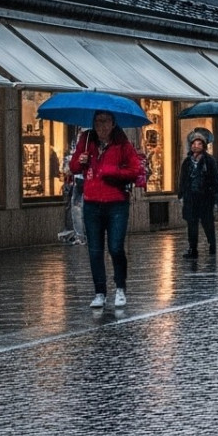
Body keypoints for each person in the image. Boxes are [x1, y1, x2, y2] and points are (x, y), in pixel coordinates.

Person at [68, 113, 146, 308]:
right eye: (97, 121)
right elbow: (73, 167)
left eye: (105, 121)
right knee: (95, 250)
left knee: (115, 247)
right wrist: (81, 161)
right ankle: (100, 292)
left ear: (113, 124)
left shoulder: (122, 144)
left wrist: (113, 172)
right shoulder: (86, 141)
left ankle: (120, 287)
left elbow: (135, 170)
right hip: (92, 202)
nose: (100, 125)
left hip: (116, 203)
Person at [176, 128, 218, 259]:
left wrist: (216, 197)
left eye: (199, 144)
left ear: (204, 146)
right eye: (194, 144)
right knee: (192, 223)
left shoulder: (209, 161)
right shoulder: (187, 161)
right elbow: (183, 179)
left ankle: (212, 245)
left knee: (207, 223)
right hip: (191, 197)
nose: (196, 146)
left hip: (205, 197)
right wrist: (181, 194)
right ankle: (193, 248)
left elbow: (216, 180)